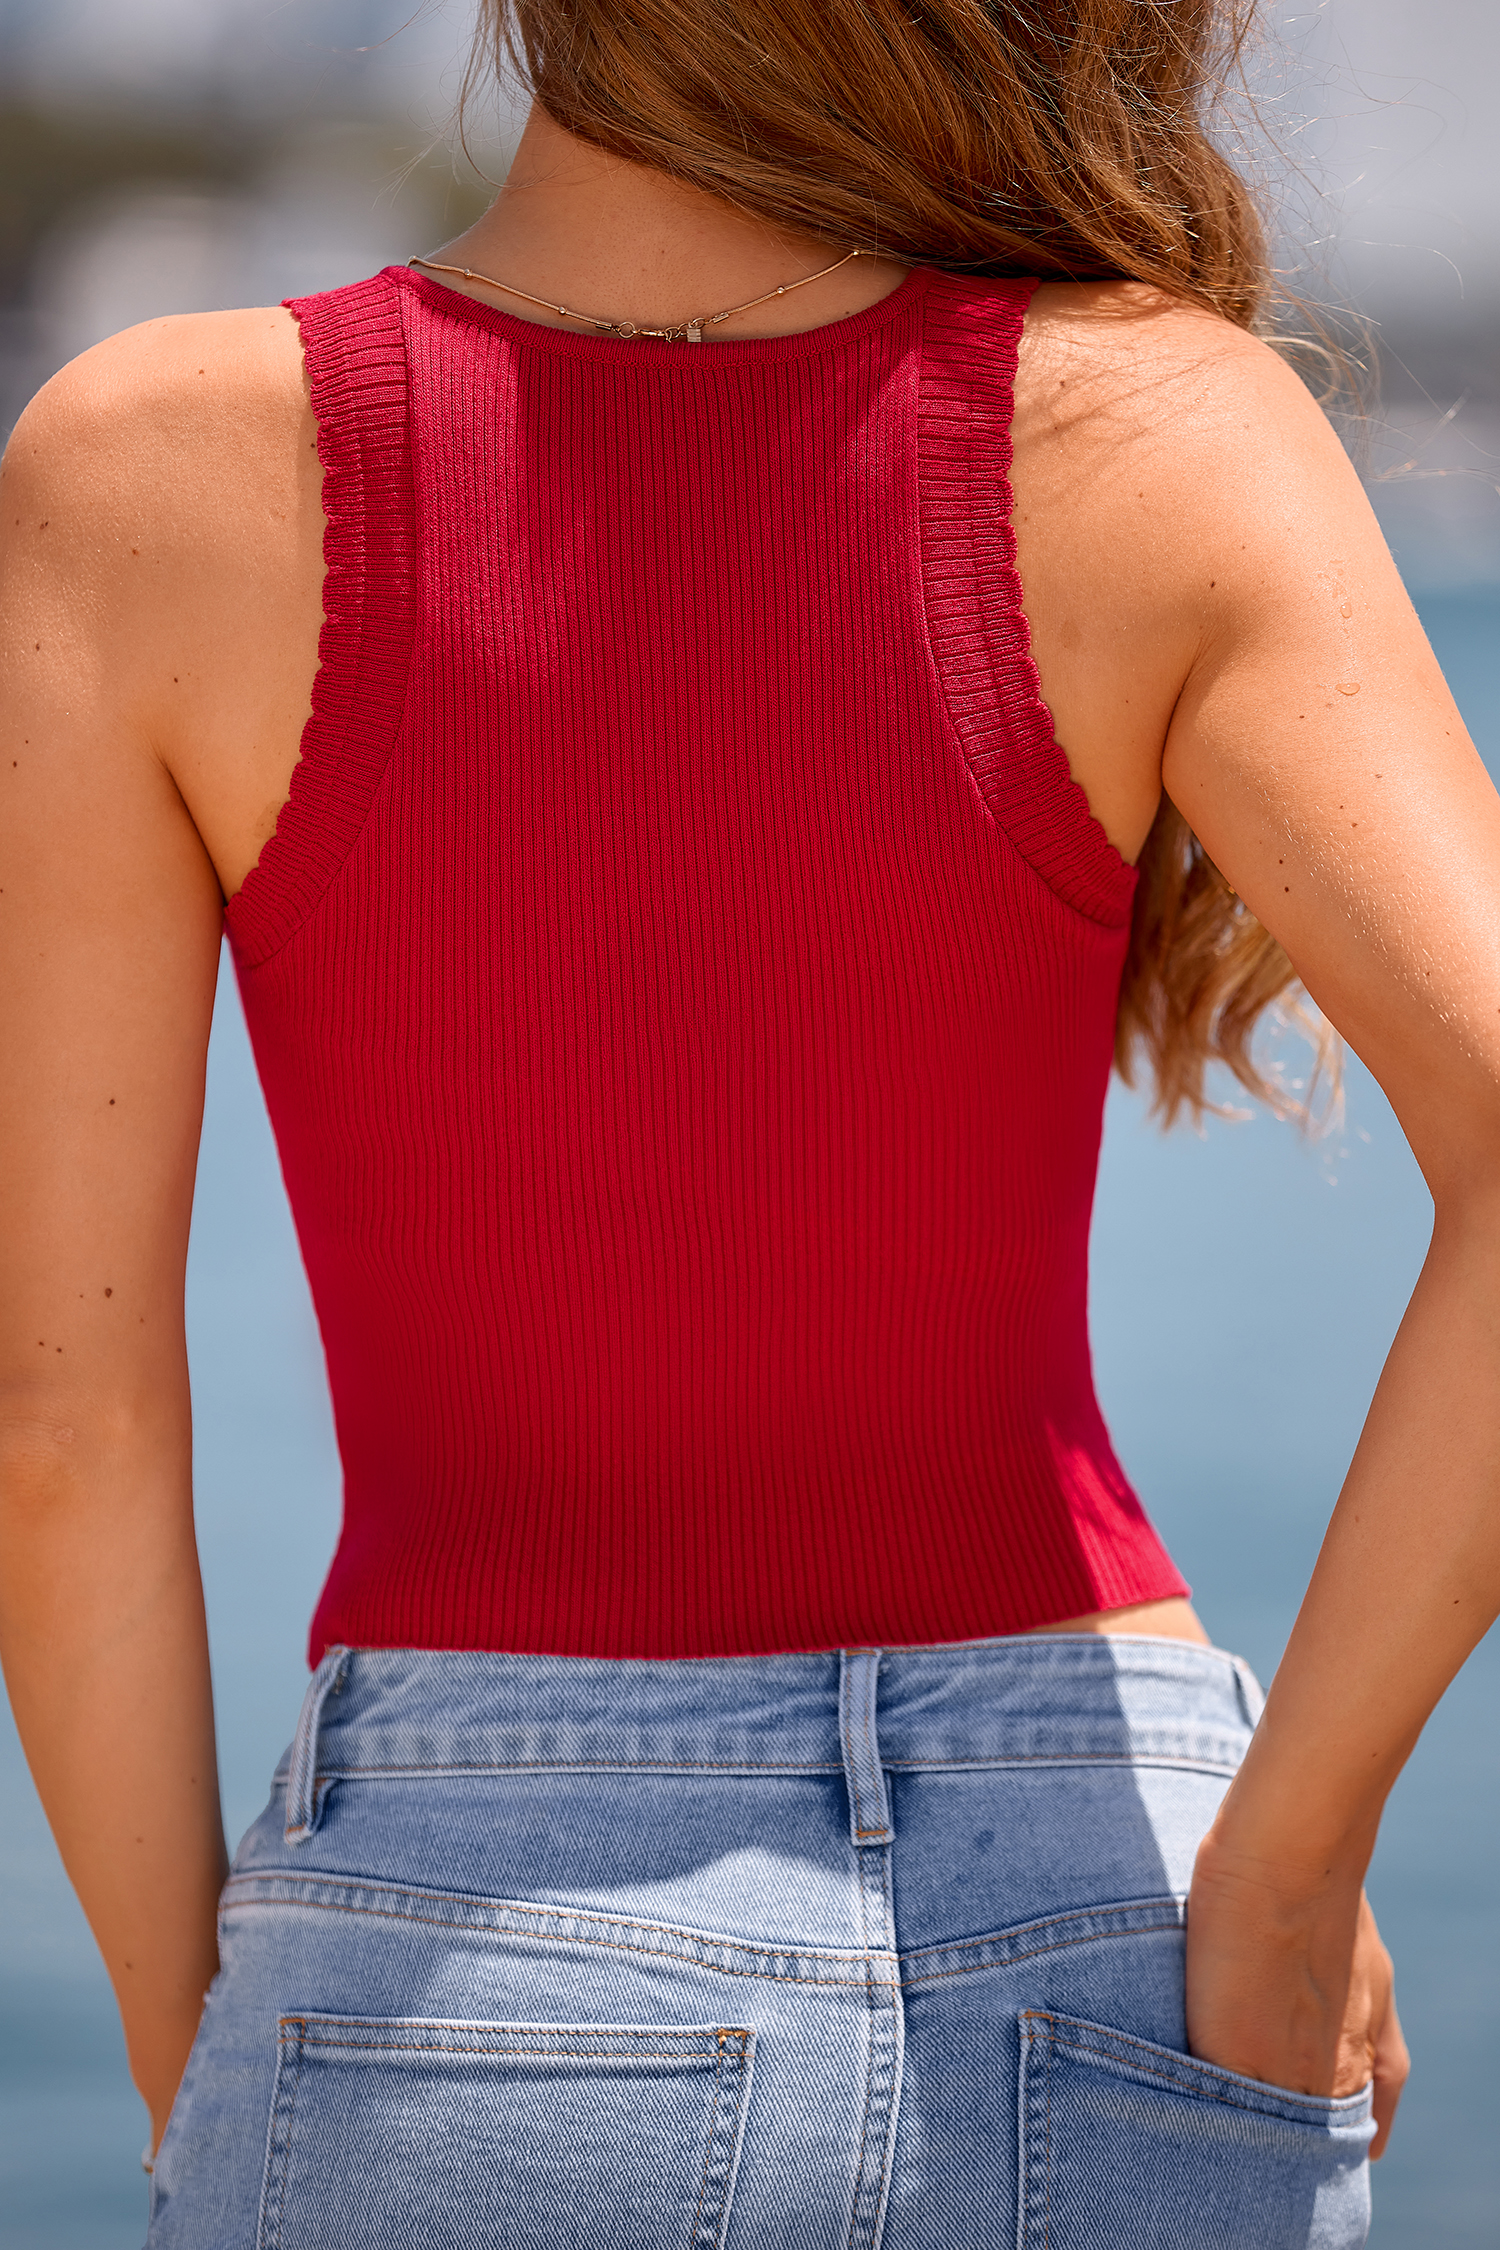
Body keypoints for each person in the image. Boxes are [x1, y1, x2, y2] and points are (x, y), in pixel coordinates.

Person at [2, 0, 1497, 2241]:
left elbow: (61, 1421)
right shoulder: (1160, 427)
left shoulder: (149, 468)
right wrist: (1288, 1863)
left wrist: (210, 2060)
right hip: (1114, 1901)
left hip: (448, 1936)